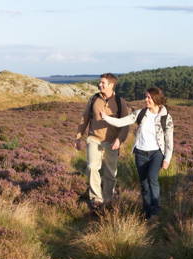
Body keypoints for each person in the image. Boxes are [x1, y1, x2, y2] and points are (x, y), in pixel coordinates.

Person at [100, 87, 174, 220]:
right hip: (140, 153)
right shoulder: (141, 113)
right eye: (145, 97)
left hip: (156, 153)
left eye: (149, 97)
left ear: (156, 99)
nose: (146, 100)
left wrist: (167, 159)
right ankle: (147, 212)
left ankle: (156, 211)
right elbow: (122, 121)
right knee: (144, 184)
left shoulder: (166, 117)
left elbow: (169, 141)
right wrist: (106, 118)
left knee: (152, 179)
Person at [75, 73, 129, 210]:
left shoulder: (119, 102)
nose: (100, 85)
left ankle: (108, 200)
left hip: (112, 142)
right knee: (92, 167)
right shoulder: (94, 99)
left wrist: (119, 139)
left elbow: (125, 124)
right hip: (94, 139)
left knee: (110, 173)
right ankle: (96, 199)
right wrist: (78, 137)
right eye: (100, 82)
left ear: (111, 85)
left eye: (103, 83)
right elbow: (84, 119)